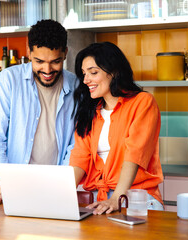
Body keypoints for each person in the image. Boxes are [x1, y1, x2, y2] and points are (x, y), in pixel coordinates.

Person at [0, 19, 78, 205]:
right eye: (39, 61)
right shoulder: (8, 80)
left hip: (50, 189)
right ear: (29, 51)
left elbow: (74, 144)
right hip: (2, 191)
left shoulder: (76, 85)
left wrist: (60, 185)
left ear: (65, 53)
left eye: (55, 62)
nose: (47, 70)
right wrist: (5, 187)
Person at [70, 42, 164, 215]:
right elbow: (80, 158)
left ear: (114, 72)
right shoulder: (89, 112)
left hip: (136, 198)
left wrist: (117, 198)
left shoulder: (142, 102)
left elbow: (134, 154)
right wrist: (61, 194)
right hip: (98, 200)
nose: (86, 80)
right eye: (84, 74)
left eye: (93, 72)